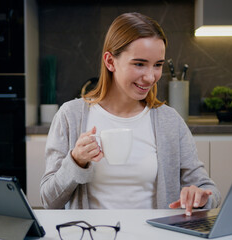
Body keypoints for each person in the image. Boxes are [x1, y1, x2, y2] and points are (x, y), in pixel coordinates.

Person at [40, 12, 221, 216]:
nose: (150, 76)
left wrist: (200, 196)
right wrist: (75, 161)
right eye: (139, 64)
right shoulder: (70, 116)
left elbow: (210, 191)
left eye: (158, 65)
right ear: (110, 61)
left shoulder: (169, 121)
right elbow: (49, 201)